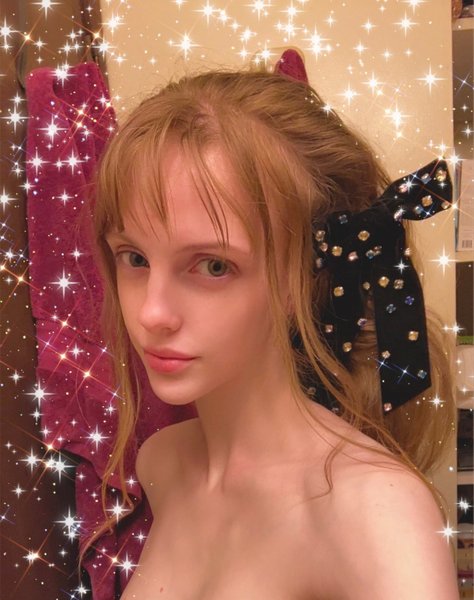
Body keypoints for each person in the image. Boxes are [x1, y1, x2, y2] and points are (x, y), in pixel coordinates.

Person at [89, 58, 459, 598]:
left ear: (303, 278)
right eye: (135, 257)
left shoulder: (379, 515)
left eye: (213, 265)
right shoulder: (164, 465)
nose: (152, 313)